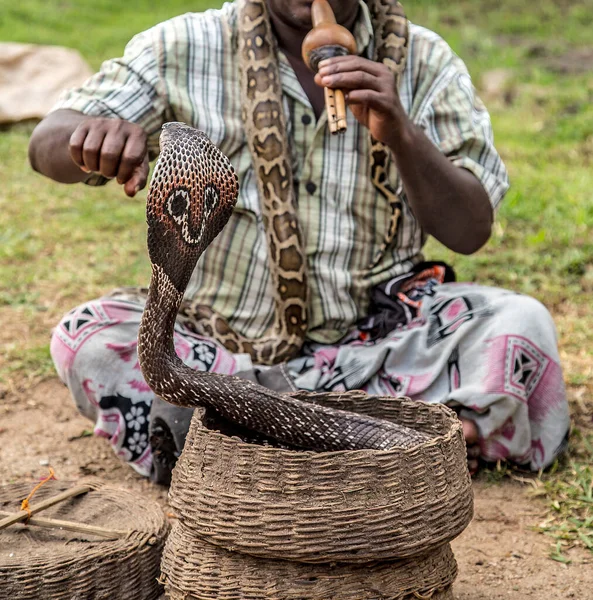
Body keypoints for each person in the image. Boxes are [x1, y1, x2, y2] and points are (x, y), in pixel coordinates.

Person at [29, 0, 570, 484]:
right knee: (86, 339)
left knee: (522, 325)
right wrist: (88, 138)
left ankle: (237, 454)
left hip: (375, 347)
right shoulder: (182, 46)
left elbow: (469, 231)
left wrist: (400, 131)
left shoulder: (427, 61)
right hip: (222, 353)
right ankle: (401, 449)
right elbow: (45, 142)